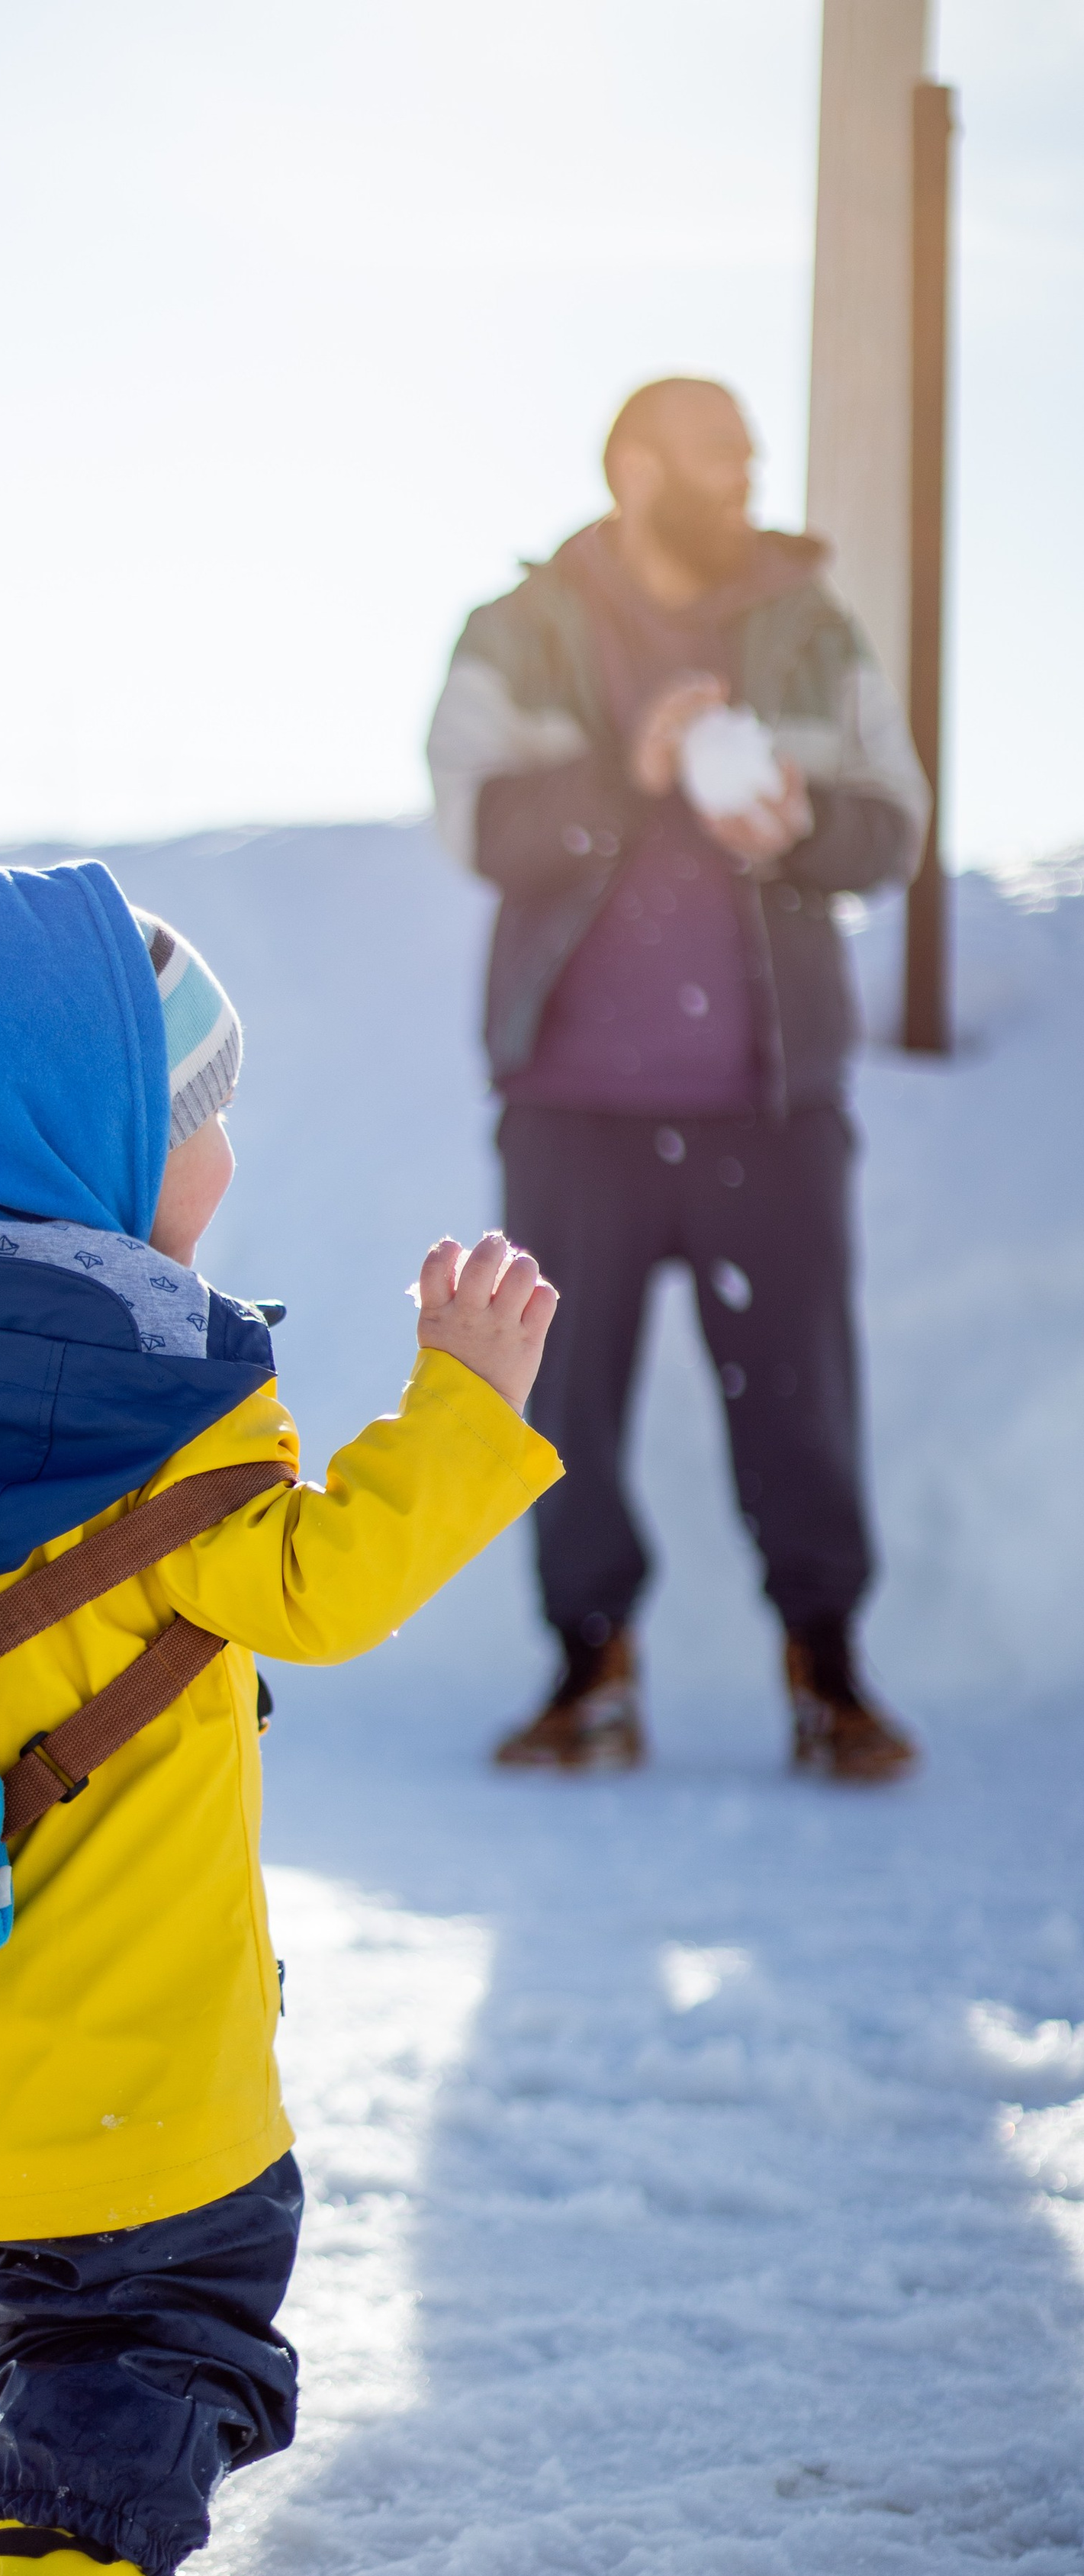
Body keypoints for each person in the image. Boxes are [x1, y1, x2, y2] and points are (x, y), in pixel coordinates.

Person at [0, 842, 561, 2576]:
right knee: (145, 2330)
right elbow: (320, 1588)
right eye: (202, 1118)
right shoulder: (169, 1404)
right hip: (131, 2081)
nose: (221, 1159)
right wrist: (460, 1404)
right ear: (97, 1132)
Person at [426, 375, 928, 1780]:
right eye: (721, 458)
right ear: (635, 466)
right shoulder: (519, 635)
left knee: (801, 1400)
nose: (750, 480)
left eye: (752, 457)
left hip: (769, 1109)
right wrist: (624, 773)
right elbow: (472, 815)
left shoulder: (812, 631)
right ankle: (590, 1673)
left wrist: (803, 821)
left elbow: (892, 826)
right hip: (568, 1107)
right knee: (563, 1399)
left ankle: (829, 1675)